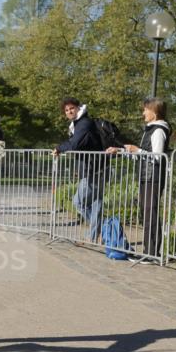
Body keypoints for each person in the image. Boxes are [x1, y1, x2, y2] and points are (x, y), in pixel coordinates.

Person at [106, 97, 171, 257]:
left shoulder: (158, 131)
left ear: (154, 112)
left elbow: (157, 157)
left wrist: (137, 150)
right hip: (145, 176)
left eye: (145, 110)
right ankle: (149, 252)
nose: (143, 113)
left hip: (153, 177)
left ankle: (152, 253)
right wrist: (122, 150)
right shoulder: (150, 129)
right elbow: (141, 155)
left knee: (151, 213)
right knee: (146, 213)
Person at [53, 97, 106, 243]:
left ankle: (103, 228)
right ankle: (94, 235)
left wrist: (59, 148)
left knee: (78, 202)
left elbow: (75, 144)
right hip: (96, 167)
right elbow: (76, 143)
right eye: (66, 110)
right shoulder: (79, 124)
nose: (69, 111)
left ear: (78, 108)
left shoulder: (84, 123)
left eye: (71, 108)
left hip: (94, 169)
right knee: (96, 203)